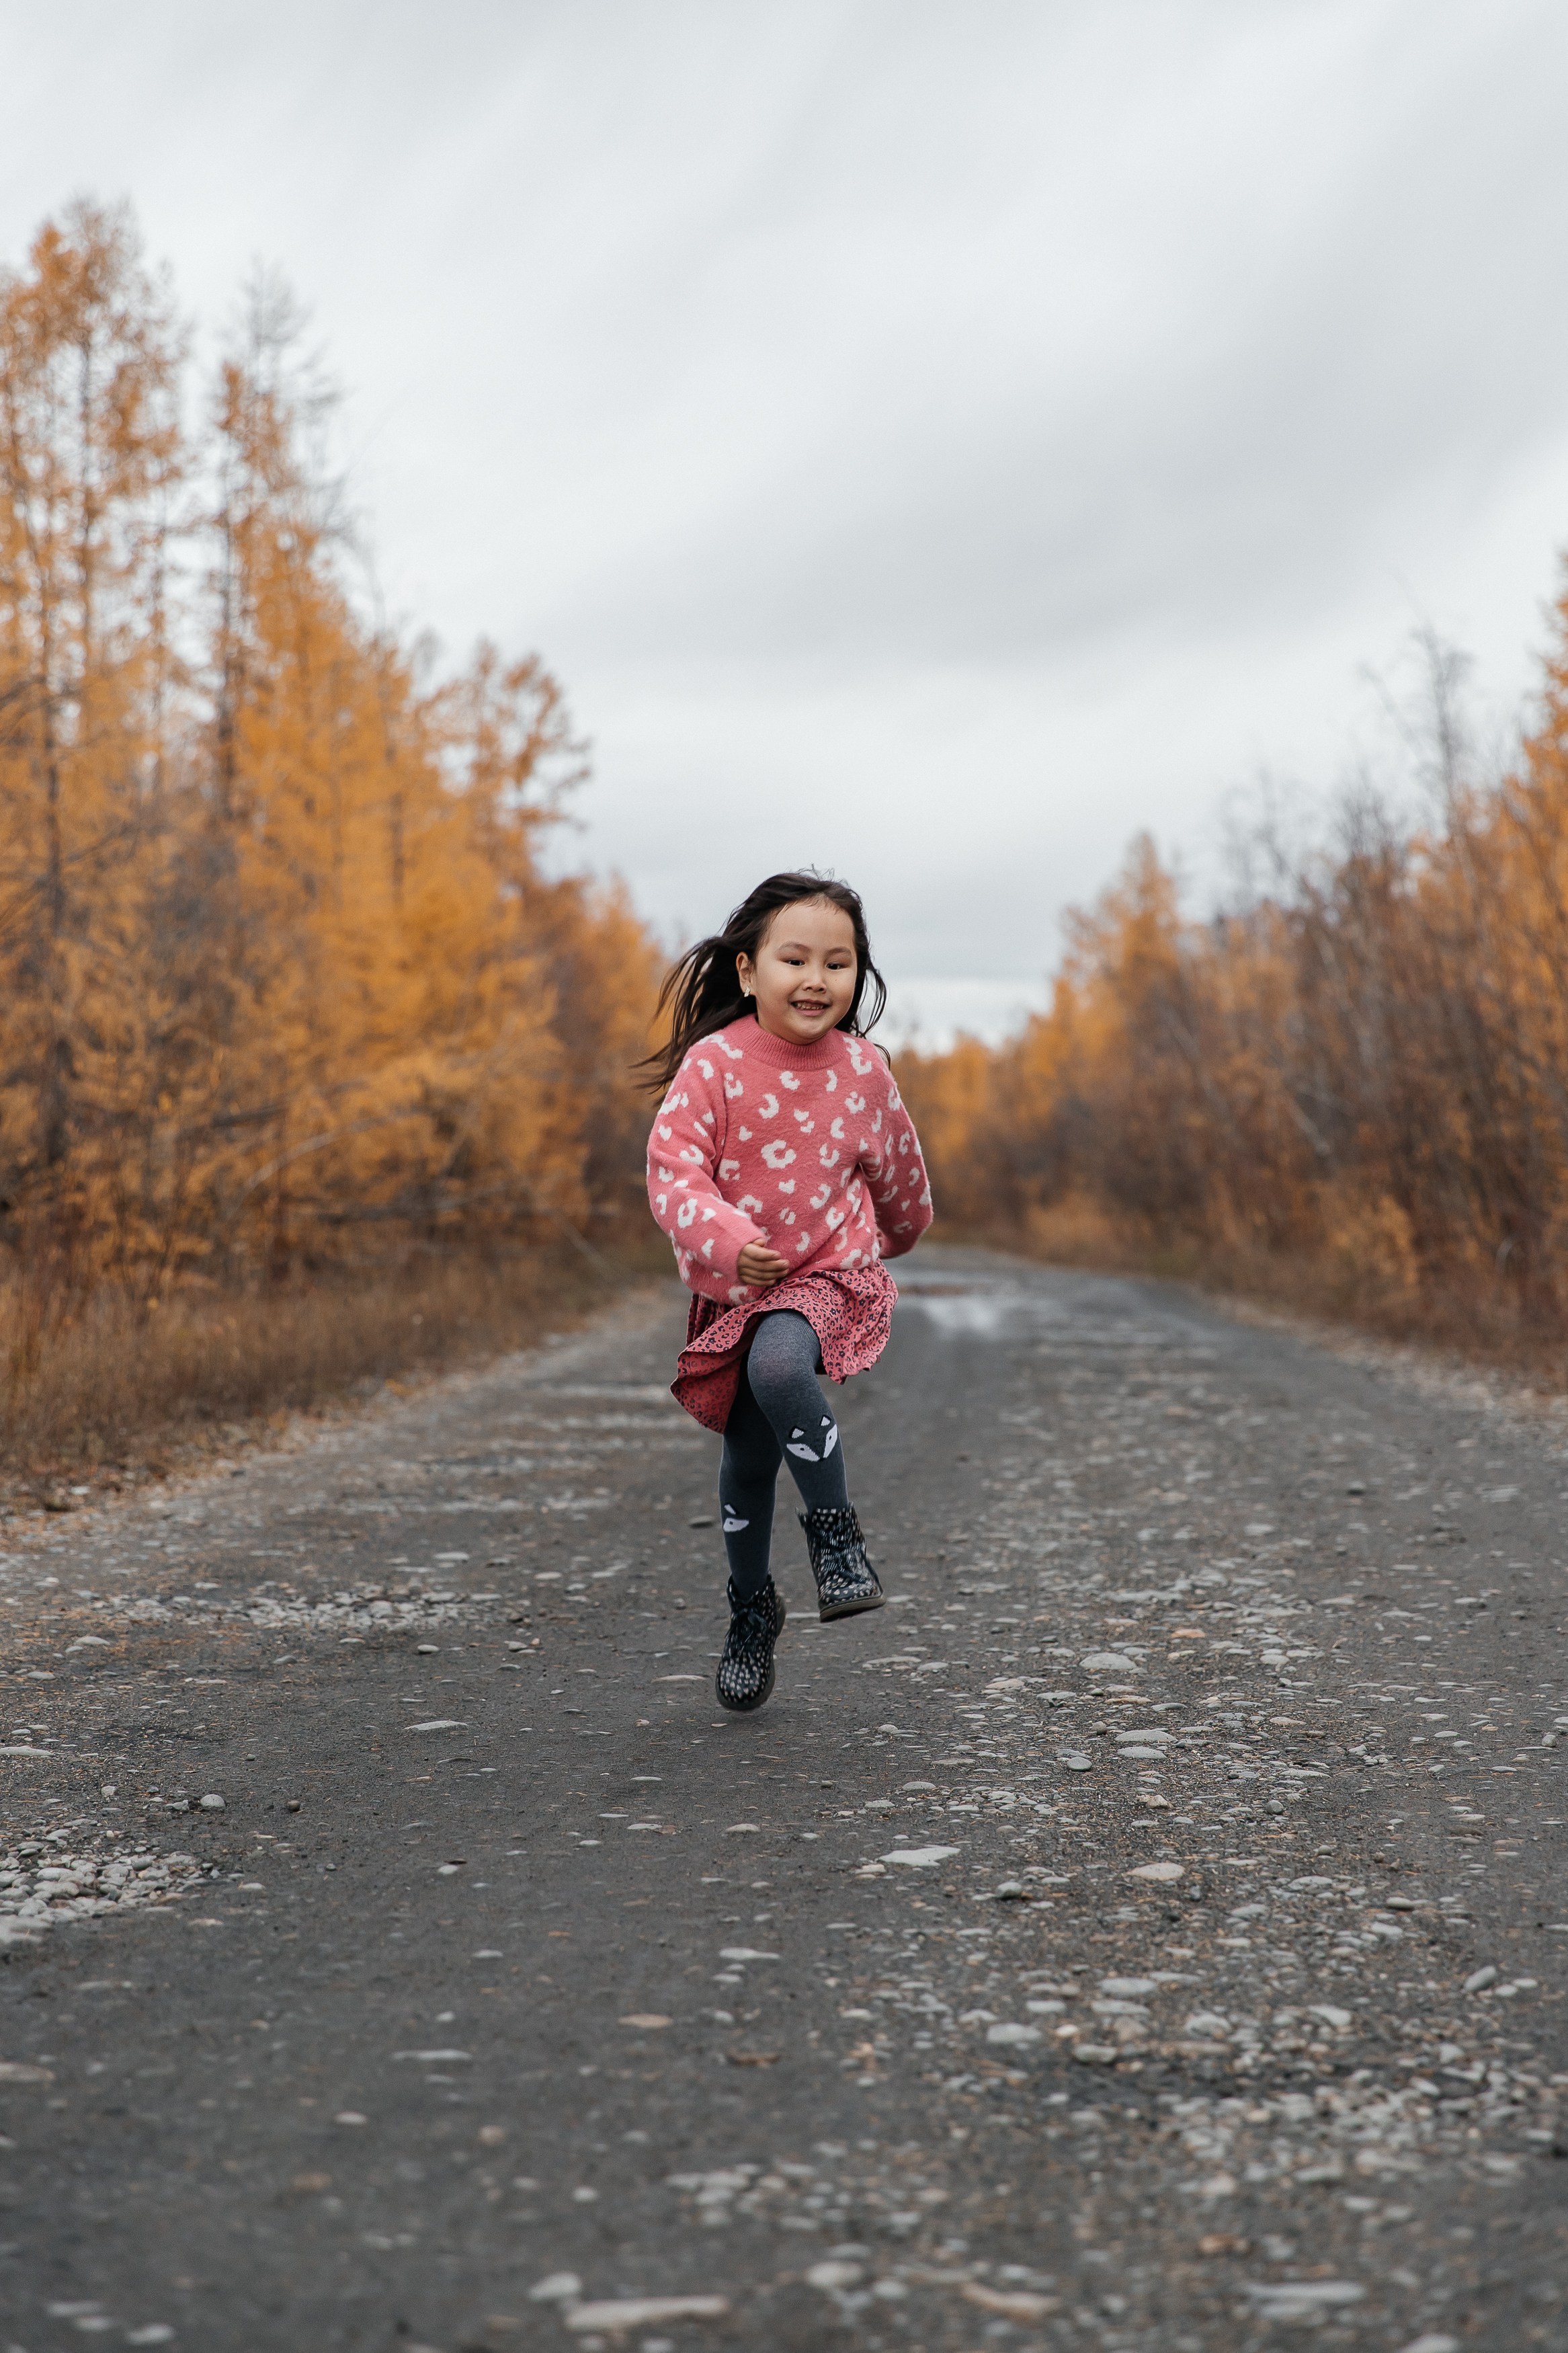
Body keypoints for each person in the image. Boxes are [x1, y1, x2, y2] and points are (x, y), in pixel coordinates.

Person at [643, 871, 933, 1713]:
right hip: (737, 1284)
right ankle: (750, 1607)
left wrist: (891, 1244)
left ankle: (836, 1543)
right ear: (746, 970)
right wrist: (732, 1245)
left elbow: (901, 1181)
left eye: (837, 963)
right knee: (744, 1460)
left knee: (778, 1369)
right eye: (794, 958)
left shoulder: (862, 1073)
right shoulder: (714, 1065)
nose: (816, 979)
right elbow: (674, 1173)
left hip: (832, 1276)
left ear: (857, 977)